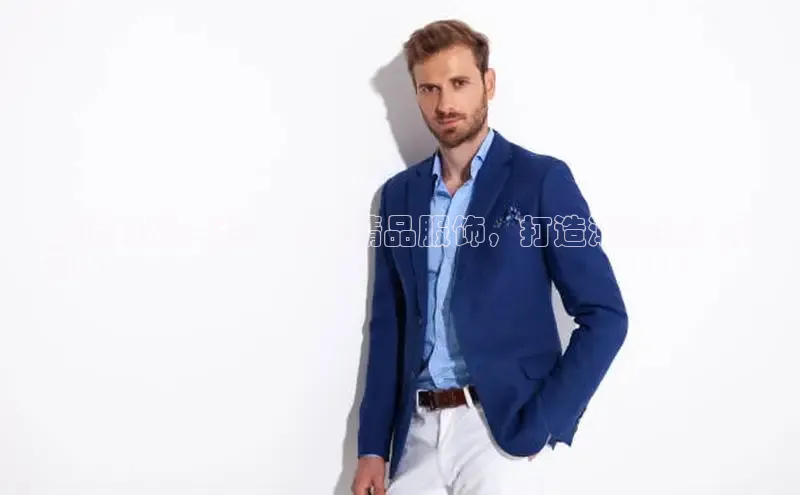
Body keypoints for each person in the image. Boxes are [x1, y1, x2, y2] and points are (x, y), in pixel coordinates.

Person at [351, 19, 628, 495]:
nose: (445, 104)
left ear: (489, 84)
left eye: (459, 83)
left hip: (500, 434)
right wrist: (373, 448)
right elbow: (388, 327)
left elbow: (606, 316)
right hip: (416, 435)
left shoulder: (541, 180)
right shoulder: (398, 197)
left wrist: (545, 420)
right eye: (429, 89)